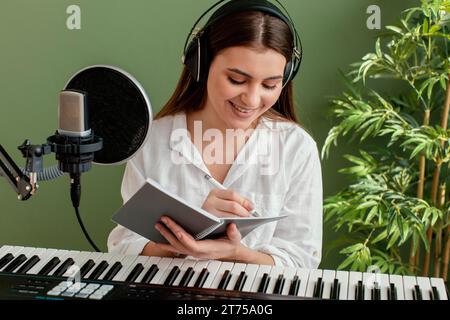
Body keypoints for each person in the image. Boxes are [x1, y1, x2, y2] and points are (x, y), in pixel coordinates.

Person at [108, 0, 323, 268]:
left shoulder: (297, 148)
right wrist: (188, 234)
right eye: (237, 80)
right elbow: (123, 249)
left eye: (270, 84)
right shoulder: (152, 140)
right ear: (201, 64)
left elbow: (302, 263)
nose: (252, 99)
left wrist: (236, 253)